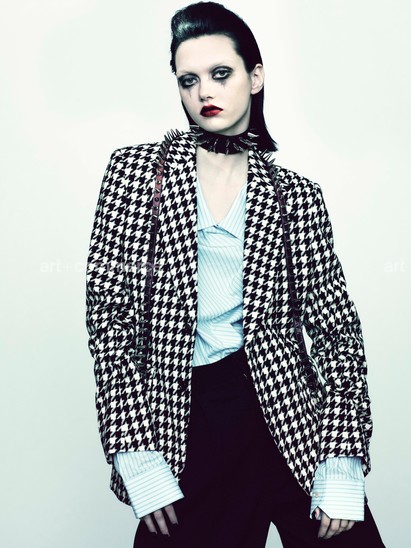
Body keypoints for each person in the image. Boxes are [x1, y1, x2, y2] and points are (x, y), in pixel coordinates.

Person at [85, 2, 385, 546]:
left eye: (221, 73)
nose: (205, 91)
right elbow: (110, 320)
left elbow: (337, 330)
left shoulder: (295, 196)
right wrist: (137, 455)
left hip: (289, 415)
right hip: (188, 419)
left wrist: (342, 459)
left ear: (256, 76)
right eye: (189, 80)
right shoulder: (137, 173)